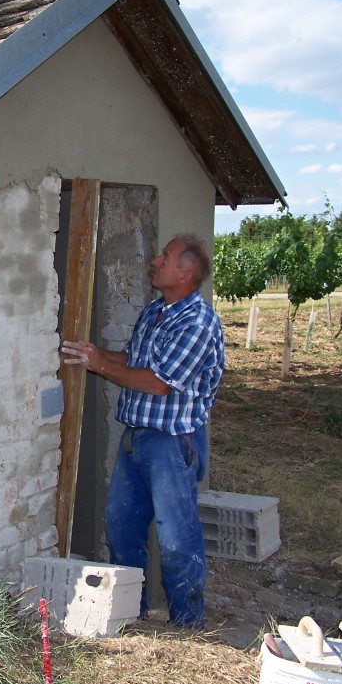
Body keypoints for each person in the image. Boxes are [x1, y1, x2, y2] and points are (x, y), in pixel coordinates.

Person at [60, 233, 224, 628]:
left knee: (175, 539)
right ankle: (132, 613)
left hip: (171, 442)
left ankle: (188, 624)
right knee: (121, 529)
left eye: (164, 257)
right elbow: (132, 360)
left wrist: (101, 364)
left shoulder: (197, 322)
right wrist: (93, 354)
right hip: (137, 439)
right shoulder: (155, 311)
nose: (154, 260)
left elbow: (158, 382)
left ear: (185, 273)